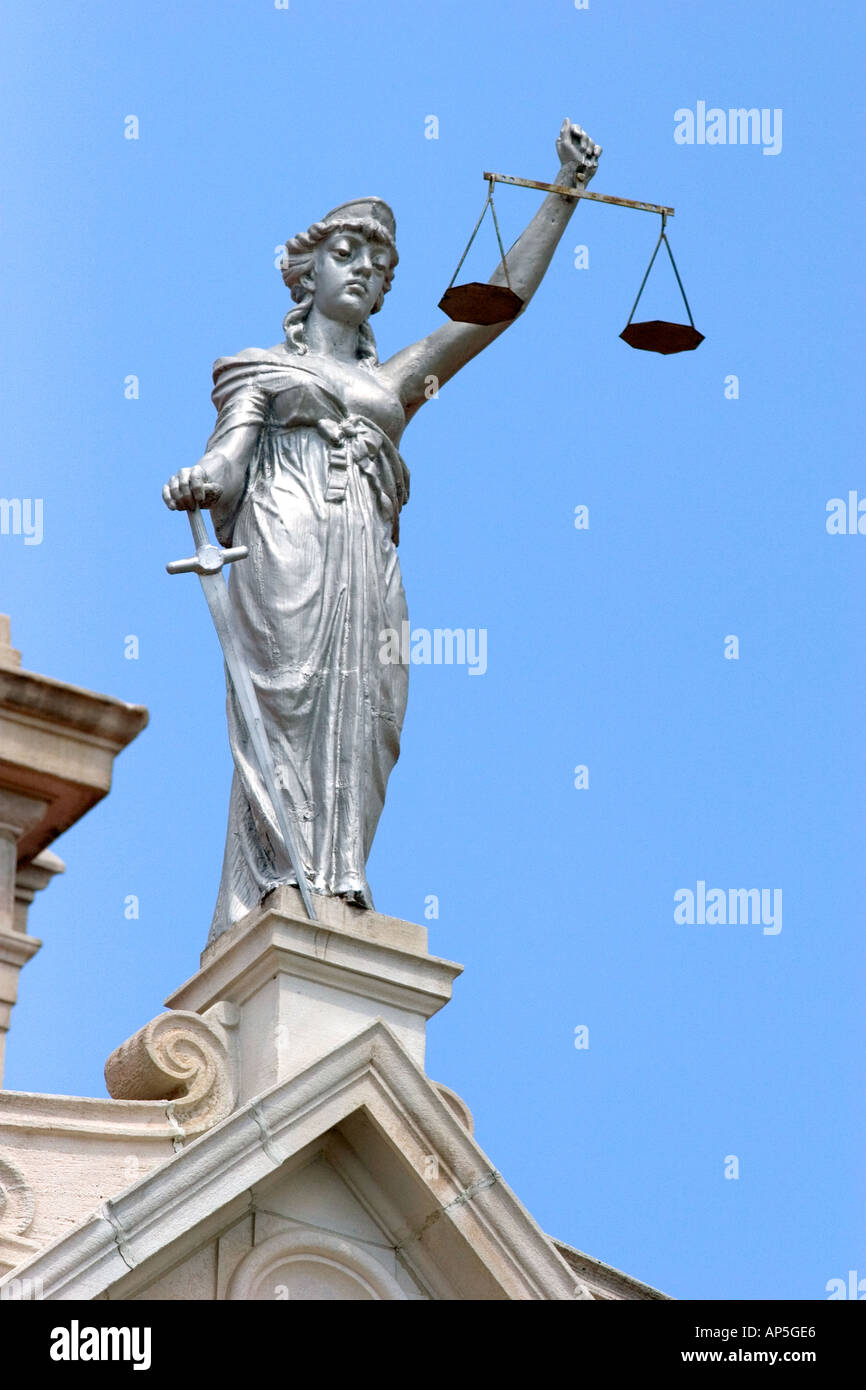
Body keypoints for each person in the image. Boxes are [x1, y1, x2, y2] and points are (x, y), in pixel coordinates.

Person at [163, 119, 601, 942]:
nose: (366, 270)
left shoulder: (396, 382)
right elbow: (230, 453)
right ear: (306, 271)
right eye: (348, 254)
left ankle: (340, 874)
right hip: (289, 533)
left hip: (367, 549)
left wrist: (562, 199)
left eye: (381, 264)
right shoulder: (260, 368)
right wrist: (204, 480)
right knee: (288, 699)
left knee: (370, 711)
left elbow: (492, 313)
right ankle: (278, 882)